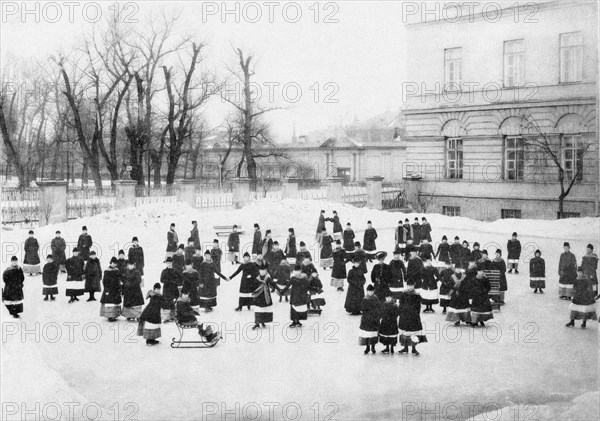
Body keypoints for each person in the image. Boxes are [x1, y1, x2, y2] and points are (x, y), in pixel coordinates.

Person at [397, 280, 427, 355]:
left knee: (414, 332)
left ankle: (414, 348)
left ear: (414, 286)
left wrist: (416, 314)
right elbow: (401, 304)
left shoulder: (416, 295)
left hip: (413, 316)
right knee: (405, 332)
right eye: (409, 285)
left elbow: (418, 306)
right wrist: (401, 313)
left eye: (411, 285)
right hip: (404, 316)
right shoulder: (403, 294)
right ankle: (405, 348)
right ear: (407, 286)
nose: (410, 287)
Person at [252, 262, 277, 329]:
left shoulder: (267, 278)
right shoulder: (257, 278)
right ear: (259, 271)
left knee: (264, 309)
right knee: (257, 309)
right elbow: (253, 285)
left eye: (263, 270)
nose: (262, 272)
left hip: (265, 296)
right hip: (258, 296)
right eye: (261, 270)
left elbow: (273, 284)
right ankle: (257, 323)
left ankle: (262, 321)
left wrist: (279, 289)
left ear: (266, 271)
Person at [359, 284, 382, 354]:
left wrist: (378, 316)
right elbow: (362, 309)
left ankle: (373, 347)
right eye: (369, 291)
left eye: (371, 291)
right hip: (366, 319)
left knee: (373, 334)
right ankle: (367, 347)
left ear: (373, 291)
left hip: (374, 319)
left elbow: (379, 308)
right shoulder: (365, 299)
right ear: (367, 291)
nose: (370, 292)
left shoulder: (376, 299)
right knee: (367, 334)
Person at [159, 257, 182, 322]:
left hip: (174, 288)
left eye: (170, 263)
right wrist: (168, 281)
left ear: (172, 263)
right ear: (166, 263)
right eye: (168, 263)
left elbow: (181, 278)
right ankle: (166, 317)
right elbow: (161, 280)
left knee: (173, 302)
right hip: (166, 289)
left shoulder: (175, 271)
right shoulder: (164, 271)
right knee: (166, 302)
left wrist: (176, 282)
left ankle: (173, 316)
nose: (169, 264)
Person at [100, 257, 122, 322]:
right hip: (109, 289)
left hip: (116, 289)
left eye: (115, 263)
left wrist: (120, 287)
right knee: (110, 303)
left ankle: (115, 315)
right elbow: (105, 281)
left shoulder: (117, 270)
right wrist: (106, 290)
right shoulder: (107, 271)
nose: (114, 264)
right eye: (113, 263)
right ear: (111, 262)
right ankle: (110, 316)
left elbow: (119, 279)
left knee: (115, 302)